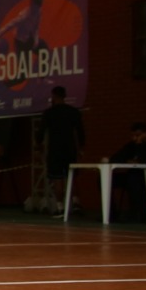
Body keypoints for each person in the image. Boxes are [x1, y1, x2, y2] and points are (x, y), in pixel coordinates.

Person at [39, 85, 84, 214]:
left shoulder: (49, 113)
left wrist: (39, 145)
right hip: (70, 149)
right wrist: (81, 148)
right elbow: (80, 132)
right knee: (72, 177)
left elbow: (41, 131)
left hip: (55, 150)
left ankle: (60, 207)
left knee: (58, 179)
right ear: (65, 96)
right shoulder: (73, 112)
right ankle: (75, 202)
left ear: (53, 96)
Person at [107, 121, 146, 221]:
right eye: (133, 135)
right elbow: (117, 157)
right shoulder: (131, 145)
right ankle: (110, 214)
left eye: (138, 135)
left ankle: (139, 214)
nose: (135, 138)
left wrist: (141, 146)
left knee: (134, 179)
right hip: (133, 175)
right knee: (106, 180)